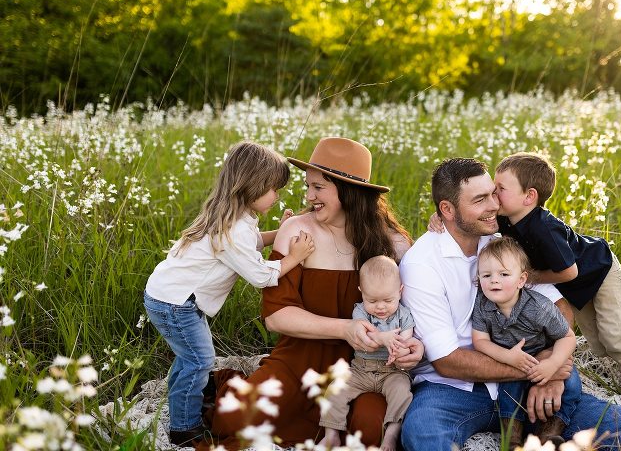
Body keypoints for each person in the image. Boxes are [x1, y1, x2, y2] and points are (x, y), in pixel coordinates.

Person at [400, 157, 621, 451]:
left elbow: (560, 306)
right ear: (446, 209)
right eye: (480, 199)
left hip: (534, 380)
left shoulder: (503, 240)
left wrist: (552, 362)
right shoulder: (422, 264)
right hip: (454, 390)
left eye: (493, 193)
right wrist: (541, 368)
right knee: (422, 432)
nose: (494, 205)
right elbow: (448, 361)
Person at [205, 137, 423, 449]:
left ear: (348, 191)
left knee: (370, 428)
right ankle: (229, 384)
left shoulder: (391, 243)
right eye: (308, 186)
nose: (309, 196)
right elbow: (277, 317)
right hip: (299, 360)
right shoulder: (296, 232)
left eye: (318, 188)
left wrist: (414, 346)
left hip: (363, 367)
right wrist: (345, 328)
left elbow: (416, 310)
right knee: (236, 419)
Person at [143, 141, 315, 447]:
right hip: (176, 303)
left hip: (169, 296)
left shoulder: (234, 218)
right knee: (199, 360)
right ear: (253, 186)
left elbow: (252, 244)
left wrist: (280, 232)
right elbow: (262, 277)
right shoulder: (234, 229)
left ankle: (186, 399)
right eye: (274, 189)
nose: (277, 196)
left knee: (189, 358)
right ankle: (184, 427)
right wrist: (295, 256)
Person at [493, 152, 621, 406]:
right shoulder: (506, 218)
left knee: (613, 335)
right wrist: (440, 218)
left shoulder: (544, 228)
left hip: (600, 271)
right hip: (576, 287)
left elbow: (570, 271)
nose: (492, 194)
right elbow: (477, 223)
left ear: (529, 196)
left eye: (500, 188)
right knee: (599, 343)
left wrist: (532, 278)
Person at [472, 237, 579, 447]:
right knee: (508, 388)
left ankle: (549, 434)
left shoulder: (538, 307)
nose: (494, 280)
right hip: (511, 358)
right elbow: (480, 340)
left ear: (521, 280)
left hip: (544, 355)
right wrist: (508, 357)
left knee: (571, 383)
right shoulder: (483, 305)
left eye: (503, 274)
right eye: (486, 275)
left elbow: (567, 337)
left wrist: (553, 363)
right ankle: (511, 438)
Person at [319, 255, 414, 451]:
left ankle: (390, 436)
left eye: (388, 300)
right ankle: (332, 435)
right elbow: (366, 338)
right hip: (361, 369)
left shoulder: (404, 315)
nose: (380, 307)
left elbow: (407, 341)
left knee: (402, 393)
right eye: (372, 300)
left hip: (393, 371)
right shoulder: (360, 312)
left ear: (400, 292)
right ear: (361, 293)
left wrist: (401, 349)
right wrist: (384, 338)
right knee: (334, 390)